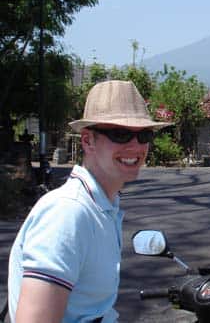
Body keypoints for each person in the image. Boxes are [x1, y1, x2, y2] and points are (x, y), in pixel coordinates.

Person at [7, 80, 170, 323]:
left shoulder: (103, 207)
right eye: (120, 134)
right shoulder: (68, 213)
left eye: (144, 135)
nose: (136, 145)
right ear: (87, 140)